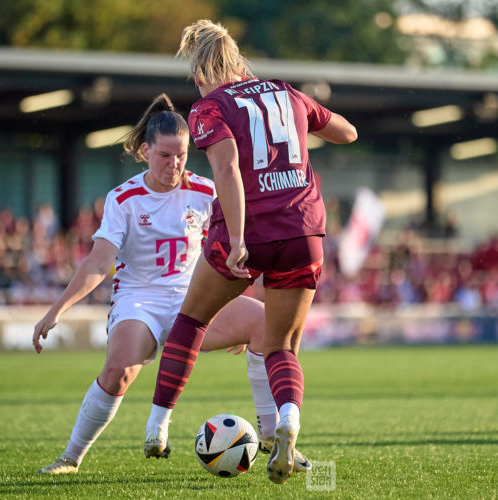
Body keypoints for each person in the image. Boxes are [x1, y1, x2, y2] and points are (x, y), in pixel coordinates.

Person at [32, 94, 311, 474]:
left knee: (264, 325)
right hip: (139, 300)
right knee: (119, 371)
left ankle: (271, 437)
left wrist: (237, 302)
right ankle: (71, 457)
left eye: (181, 155)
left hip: (195, 298)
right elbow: (99, 263)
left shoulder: (206, 191)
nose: (174, 164)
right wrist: (56, 310)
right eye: (165, 155)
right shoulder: (124, 198)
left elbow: (233, 250)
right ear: (145, 150)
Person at [142, 20, 357, 485]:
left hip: (249, 230)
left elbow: (227, 168)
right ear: (238, 61)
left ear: (199, 73)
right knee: (280, 345)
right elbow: (348, 133)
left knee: (191, 320)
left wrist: (238, 238)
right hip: (303, 228)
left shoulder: (207, 107)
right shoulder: (287, 93)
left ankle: (157, 427)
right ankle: (289, 425)